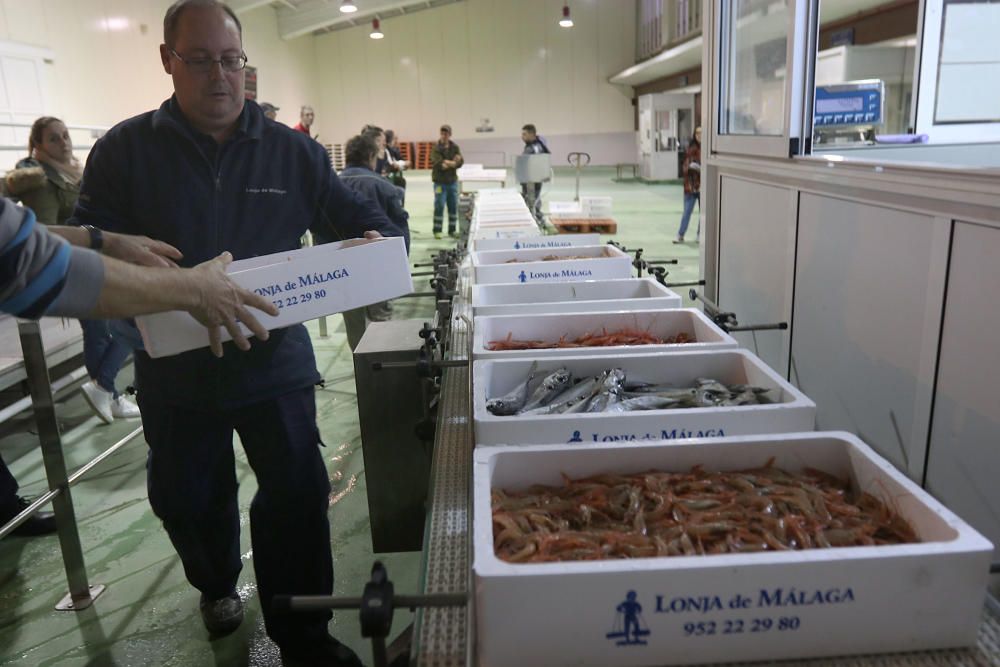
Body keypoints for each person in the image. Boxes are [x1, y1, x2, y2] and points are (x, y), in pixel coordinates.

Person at [71, 2, 400, 664]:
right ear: (168, 60)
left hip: (272, 361)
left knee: (298, 494)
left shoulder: (293, 151)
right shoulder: (124, 152)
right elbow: (89, 250)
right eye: (200, 59)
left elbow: (358, 218)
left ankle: (302, 633)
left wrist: (373, 241)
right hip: (173, 368)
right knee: (187, 495)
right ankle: (216, 579)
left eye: (232, 60)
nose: (220, 76)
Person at [0, 195, 279, 537]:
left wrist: (101, 240)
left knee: (290, 484)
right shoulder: (121, 152)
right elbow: (33, 264)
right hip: (172, 375)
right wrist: (193, 288)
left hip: (268, 367)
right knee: (188, 497)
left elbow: (16, 238)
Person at [5, 117, 142, 424]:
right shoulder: (40, 179)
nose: (64, 142)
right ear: (37, 144)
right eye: (54, 138)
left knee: (104, 332)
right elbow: (45, 230)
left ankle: (107, 393)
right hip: (74, 264)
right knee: (120, 328)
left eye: (65, 136)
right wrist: (90, 238)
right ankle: (105, 388)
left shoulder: (70, 173)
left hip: (95, 259)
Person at [338, 133, 410, 342]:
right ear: (371, 156)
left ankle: (361, 368)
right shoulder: (382, 185)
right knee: (381, 323)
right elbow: (399, 231)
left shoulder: (331, 185)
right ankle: (382, 368)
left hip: (342, 269)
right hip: (377, 267)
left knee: (354, 326)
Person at [430, 124, 463, 239]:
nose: (444, 135)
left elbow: (460, 161)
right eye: (442, 133)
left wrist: (451, 163)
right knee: (439, 205)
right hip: (440, 182)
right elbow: (439, 163)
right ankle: (437, 230)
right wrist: (453, 163)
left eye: (446, 133)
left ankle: (452, 230)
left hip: (452, 182)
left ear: (450, 134)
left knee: (453, 206)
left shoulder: (455, 147)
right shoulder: (436, 148)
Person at [674, 126, 701, 244]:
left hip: (702, 187)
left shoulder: (707, 150)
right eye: (698, 133)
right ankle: (680, 234)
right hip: (690, 187)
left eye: (702, 133)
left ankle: (701, 235)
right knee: (687, 212)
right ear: (694, 135)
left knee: (704, 214)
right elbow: (685, 167)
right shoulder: (690, 149)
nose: (700, 135)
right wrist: (693, 167)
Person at [520, 123, 549, 222]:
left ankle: (536, 220)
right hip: (530, 179)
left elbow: (537, 163)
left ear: (532, 134)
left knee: (533, 200)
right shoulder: (534, 145)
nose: (522, 137)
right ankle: (536, 217)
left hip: (532, 180)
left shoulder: (534, 147)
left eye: (524, 134)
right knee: (534, 199)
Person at [384, 129, 408, 203]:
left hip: (396, 179)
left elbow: (402, 161)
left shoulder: (394, 150)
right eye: (395, 138)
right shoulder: (385, 151)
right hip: (388, 180)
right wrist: (402, 164)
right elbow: (392, 165)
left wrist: (403, 165)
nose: (396, 140)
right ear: (390, 140)